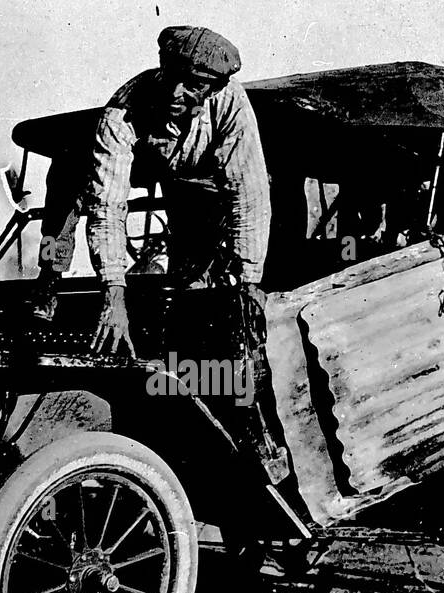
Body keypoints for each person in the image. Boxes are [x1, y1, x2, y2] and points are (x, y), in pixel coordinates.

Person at [32, 25, 272, 357]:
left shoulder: (232, 106)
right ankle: (48, 280)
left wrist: (249, 284)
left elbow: (248, 195)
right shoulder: (122, 111)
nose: (175, 92)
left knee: (196, 275)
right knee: (65, 184)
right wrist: (113, 294)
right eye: (171, 77)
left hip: (196, 177)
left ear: (214, 88)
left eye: (192, 85)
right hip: (140, 159)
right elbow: (107, 208)